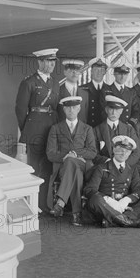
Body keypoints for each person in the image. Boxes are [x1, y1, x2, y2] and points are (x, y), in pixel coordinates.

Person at [15, 48, 60, 210]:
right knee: (34, 170)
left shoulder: (55, 83)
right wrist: (27, 129)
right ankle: (31, 206)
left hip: (51, 131)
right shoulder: (29, 82)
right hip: (34, 130)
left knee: (47, 170)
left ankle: (43, 205)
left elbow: (56, 108)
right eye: (48, 61)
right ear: (39, 62)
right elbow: (20, 110)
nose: (51, 65)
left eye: (53, 61)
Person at [45, 96, 96, 226]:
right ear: (63, 109)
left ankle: (61, 201)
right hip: (64, 167)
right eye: (68, 107)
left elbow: (92, 152)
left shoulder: (87, 128)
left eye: (74, 107)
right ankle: (76, 214)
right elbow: (50, 154)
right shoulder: (55, 128)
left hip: (84, 165)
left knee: (72, 163)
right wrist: (67, 156)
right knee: (73, 168)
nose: (71, 110)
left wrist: (75, 154)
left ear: (79, 108)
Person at [84, 135, 140, 228]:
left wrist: (125, 201)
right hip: (106, 206)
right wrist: (109, 201)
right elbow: (90, 189)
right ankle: (128, 221)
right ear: (113, 150)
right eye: (120, 149)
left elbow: (139, 191)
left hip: (124, 207)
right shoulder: (102, 168)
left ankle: (114, 220)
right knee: (95, 200)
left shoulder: (132, 170)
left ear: (130, 153)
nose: (123, 153)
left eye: (127, 151)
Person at [92, 95, 140, 185]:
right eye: (111, 109)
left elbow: (136, 152)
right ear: (106, 110)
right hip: (106, 166)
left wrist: (123, 163)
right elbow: (94, 153)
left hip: (127, 164)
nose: (113, 112)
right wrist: (110, 163)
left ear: (121, 111)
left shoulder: (129, 129)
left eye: (117, 110)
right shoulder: (96, 130)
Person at [80, 57, 108, 127]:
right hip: (87, 127)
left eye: (101, 70)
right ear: (91, 71)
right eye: (96, 70)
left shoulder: (110, 89)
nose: (99, 72)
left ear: (105, 72)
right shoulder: (82, 89)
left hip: (104, 128)